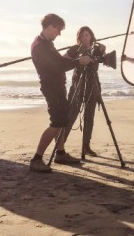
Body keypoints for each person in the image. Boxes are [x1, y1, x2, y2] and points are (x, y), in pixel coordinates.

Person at [30, 14, 92, 173]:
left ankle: (60, 153)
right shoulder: (39, 46)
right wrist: (78, 62)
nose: (59, 33)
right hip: (51, 88)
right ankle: (36, 158)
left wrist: (74, 56)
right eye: (58, 30)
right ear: (51, 26)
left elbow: (61, 61)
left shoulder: (47, 43)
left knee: (62, 120)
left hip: (58, 86)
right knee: (56, 122)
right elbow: (57, 67)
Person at [64, 26, 106, 157]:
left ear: (91, 36)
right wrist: (76, 60)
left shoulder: (96, 49)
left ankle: (86, 146)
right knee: (71, 115)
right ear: (79, 37)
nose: (84, 37)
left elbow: (103, 61)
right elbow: (62, 61)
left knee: (89, 117)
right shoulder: (74, 49)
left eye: (86, 35)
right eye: (82, 35)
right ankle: (60, 146)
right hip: (78, 85)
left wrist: (103, 52)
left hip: (92, 85)